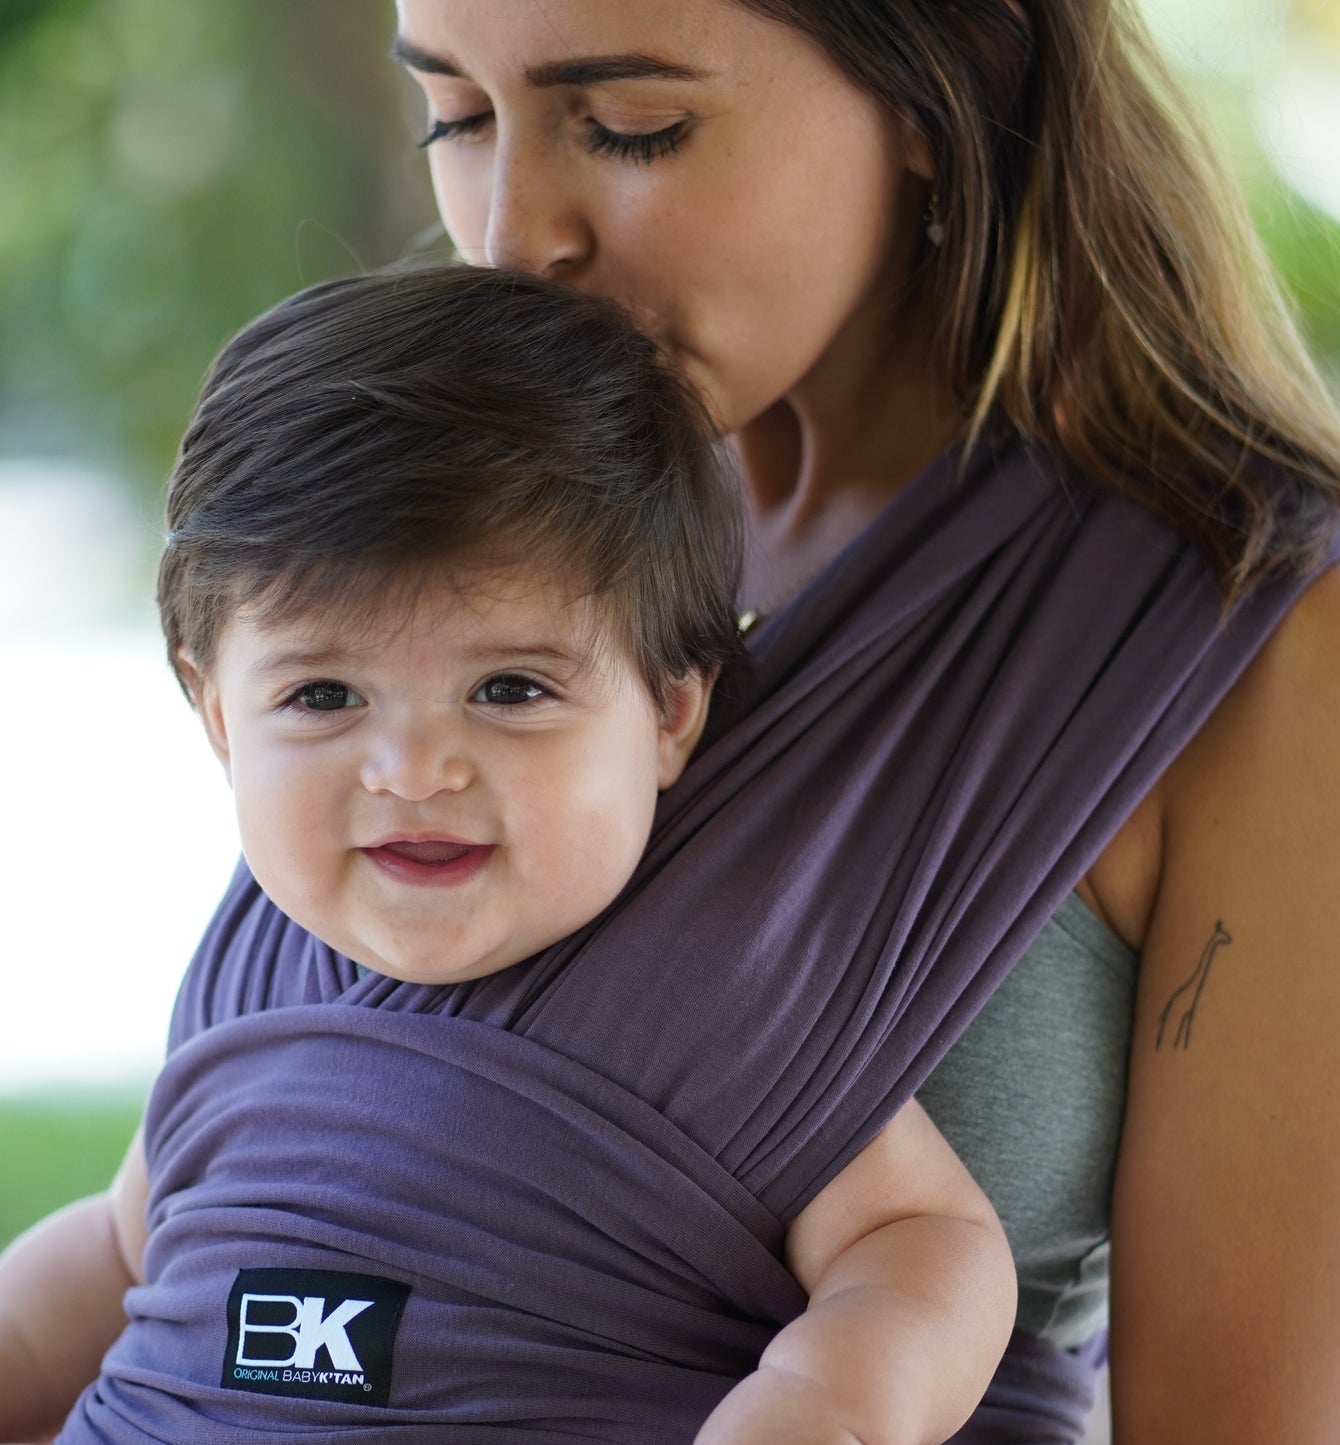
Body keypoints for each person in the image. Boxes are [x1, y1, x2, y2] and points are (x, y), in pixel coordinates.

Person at [374, 0, 1340, 1441]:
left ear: (947, 88)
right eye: (457, 116)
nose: (512, 238)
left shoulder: (1273, 642)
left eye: (634, 126)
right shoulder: (482, 537)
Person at [0, 265, 1020, 1442]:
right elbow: (120, 1244)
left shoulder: (718, 989)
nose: (414, 767)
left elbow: (921, 1239)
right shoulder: (246, 982)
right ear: (219, 715)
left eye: (510, 687)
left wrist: (821, 1403)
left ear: (670, 712)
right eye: (324, 693)